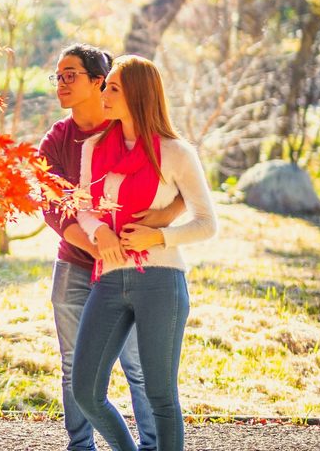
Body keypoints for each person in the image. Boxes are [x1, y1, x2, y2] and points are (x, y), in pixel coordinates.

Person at [70, 55, 218, 451]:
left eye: (113, 87)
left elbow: (207, 223)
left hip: (160, 281)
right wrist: (100, 230)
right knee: (85, 391)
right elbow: (84, 208)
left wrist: (158, 238)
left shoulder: (176, 153)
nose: (104, 93)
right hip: (109, 278)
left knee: (160, 396)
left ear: (137, 95)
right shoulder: (93, 148)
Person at [40, 45, 181, 451]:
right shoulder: (58, 139)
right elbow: (52, 205)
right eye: (58, 76)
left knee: (138, 369)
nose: (61, 84)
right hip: (75, 265)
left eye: (70, 75)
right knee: (73, 369)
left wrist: (153, 227)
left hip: (132, 271)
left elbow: (180, 187)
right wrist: (96, 245)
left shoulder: (129, 126)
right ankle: (81, 446)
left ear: (97, 81)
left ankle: (151, 445)